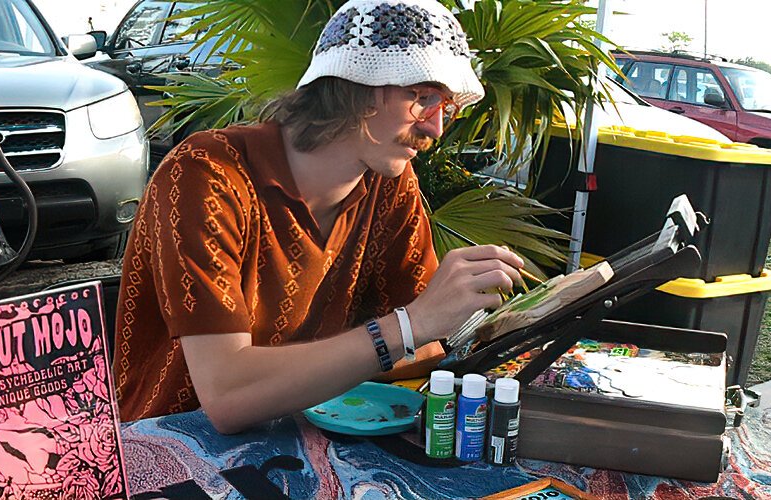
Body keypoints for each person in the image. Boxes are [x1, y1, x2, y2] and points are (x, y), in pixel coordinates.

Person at [114, 0, 524, 433]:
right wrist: (411, 326)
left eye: (446, 105)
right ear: (356, 84)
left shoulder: (389, 183)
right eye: (422, 98)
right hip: (171, 448)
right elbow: (226, 394)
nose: (435, 128)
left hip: (312, 436)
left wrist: (480, 321)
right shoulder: (208, 173)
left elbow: (426, 345)